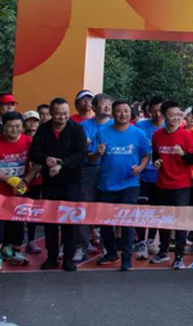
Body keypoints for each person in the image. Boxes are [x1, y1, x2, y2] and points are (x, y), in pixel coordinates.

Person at [88, 100, 151, 271]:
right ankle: (111, 253)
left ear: (130, 113)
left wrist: (140, 168)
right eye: (119, 111)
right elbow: (91, 158)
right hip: (106, 185)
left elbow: (146, 155)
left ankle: (126, 258)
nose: (123, 114)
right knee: (105, 223)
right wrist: (97, 153)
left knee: (127, 222)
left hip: (129, 184)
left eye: (126, 111)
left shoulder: (138, 133)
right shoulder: (102, 133)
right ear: (113, 113)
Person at [30, 97, 87, 271]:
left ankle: (68, 257)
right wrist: (46, 159)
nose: (62, 117)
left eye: (65, 114)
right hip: (50, 183)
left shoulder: (77, 129)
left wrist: (62, 164)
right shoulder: (43, 129)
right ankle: (52, 257)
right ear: (51, 114)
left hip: (71, 182)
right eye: (58, 114)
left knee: (70, 222)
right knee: (50, 222)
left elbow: (81, 154)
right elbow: (34, 152)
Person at [0, 111, 37, 272]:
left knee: (18, 223)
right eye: (10, 126)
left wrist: (25, 181)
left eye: (17, 126)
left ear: (22, 126)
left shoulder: (29, 141)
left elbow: (37, 164)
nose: (14, 130)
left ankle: (16, 252)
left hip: (20, 190)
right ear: (4, 127)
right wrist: (7, 179)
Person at [150, 100, 193, 269]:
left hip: (181, 185)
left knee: (180, 221)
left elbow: (191, 160)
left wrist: (182, 153)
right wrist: (157, 163)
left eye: (178, 114)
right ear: (164, 116)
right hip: (162, 184)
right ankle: (163, 251)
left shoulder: (186, 135)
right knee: (163, 220)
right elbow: (156, 155)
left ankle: (179, 256)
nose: (176, 118)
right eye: (172, 115)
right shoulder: (157, 135)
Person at [73, 93, 113, 263]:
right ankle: (80, 246)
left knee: (107, 209)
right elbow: (83, 149)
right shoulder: (83, 126)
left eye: (109, 103)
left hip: (110, 171)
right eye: (103, 104)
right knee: (84, 207)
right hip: (88, 170)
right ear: (94, 107)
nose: (107, 106)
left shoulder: (116, 125)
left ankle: (107, 246)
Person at [134, 96, 166, 260]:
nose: (157, 114)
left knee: (157, 210)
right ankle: (141, 242)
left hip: (162, 177)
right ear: (148, 111)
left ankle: (151, 240)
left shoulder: (170, 126)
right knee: (141, 210)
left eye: (160, 111)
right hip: (143, 176)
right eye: (154, 111)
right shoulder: (140, 127)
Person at [21, 110, 44, 254]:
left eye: (35, 121)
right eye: (29, 121)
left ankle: (30, 241)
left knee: (33, 211)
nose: (32, 124)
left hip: (37, 181)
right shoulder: (20, 138)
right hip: (18, 180)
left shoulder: (42, 139)